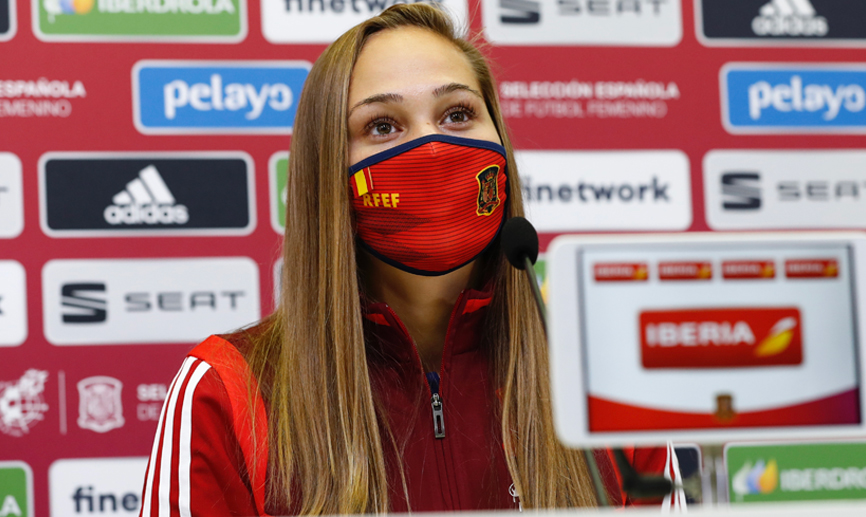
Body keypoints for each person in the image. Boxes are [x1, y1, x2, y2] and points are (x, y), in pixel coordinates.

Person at [138, 4, 673, 515]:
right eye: (382, 126)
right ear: (329, 176)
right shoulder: (227, 390)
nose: (433, 148)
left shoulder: (605, 382)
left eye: (457, 113)